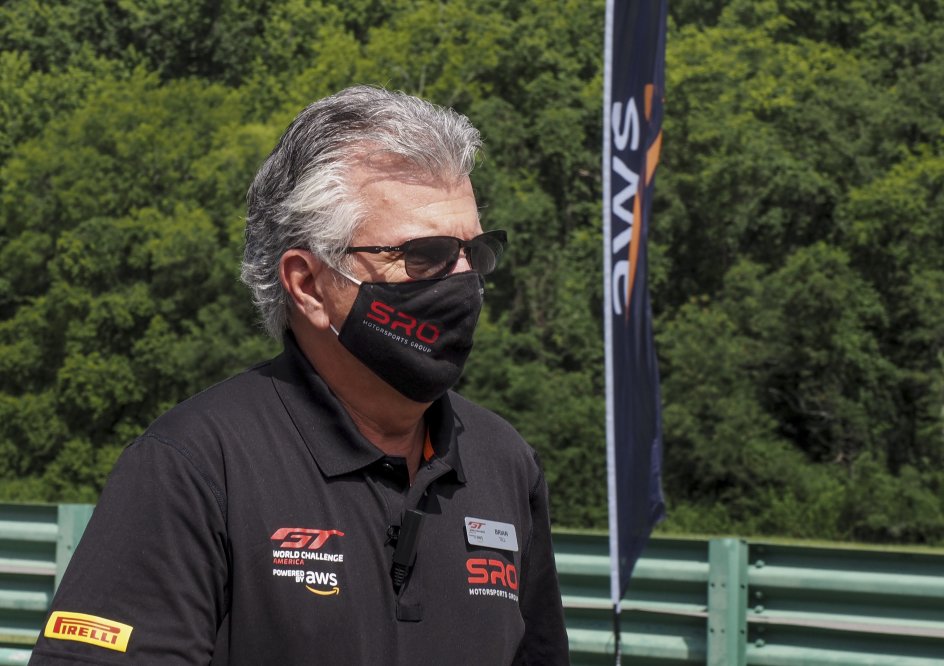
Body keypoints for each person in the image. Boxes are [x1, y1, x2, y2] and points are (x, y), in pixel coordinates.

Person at [30, 86, 569, 665]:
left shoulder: (504, 463)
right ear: (308, 284)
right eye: (425, 255)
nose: (464, 281)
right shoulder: (195, 466)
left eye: (474, 252)